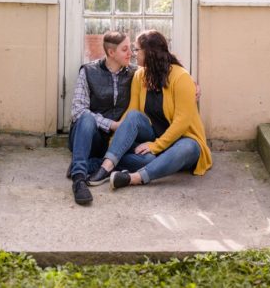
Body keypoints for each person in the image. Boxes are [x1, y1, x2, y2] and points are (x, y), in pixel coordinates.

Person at [87, 30, 212, 189]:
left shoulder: (181, 78)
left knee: (189, 147)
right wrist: (115, 142)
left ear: (150, 52)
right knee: (135, 121)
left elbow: (182, 123)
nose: (133, 54)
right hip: (153, 139)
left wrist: (156, 146)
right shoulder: (140, 76)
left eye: (137, 49)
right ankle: (106, 166)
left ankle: (132, 178)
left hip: (180, 141)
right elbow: (132, 111)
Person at [68, 30, 135, 205]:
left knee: (146, 160)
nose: (131, 53)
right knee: (87, 118)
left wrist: (191, 84)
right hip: (89, 137)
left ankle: (91, 164)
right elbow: (78, 110)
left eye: (131, 49)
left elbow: (165, 72)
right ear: (111, 52)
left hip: (113, 144)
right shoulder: (88, 71)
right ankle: (79, 179)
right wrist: (112, 125)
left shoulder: (135, 73)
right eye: (125, 49)